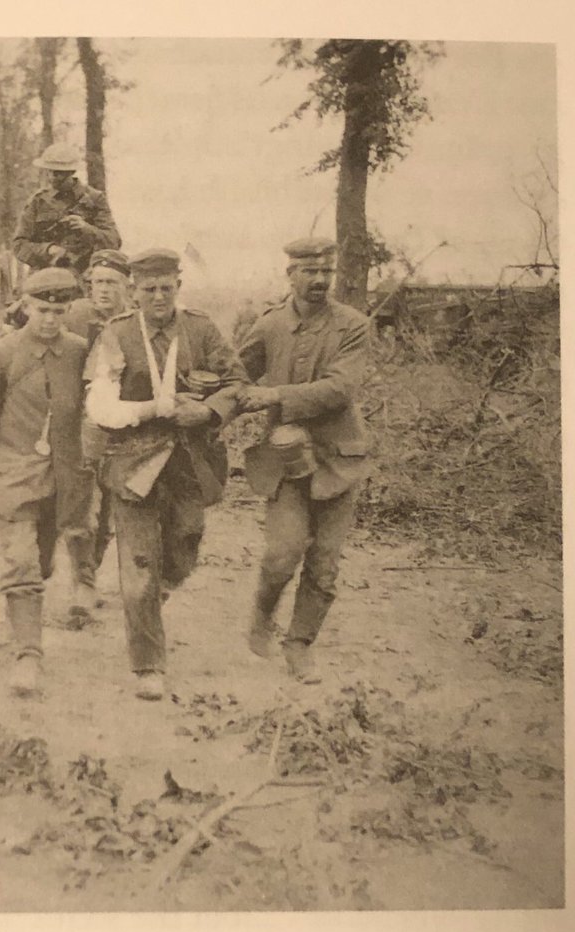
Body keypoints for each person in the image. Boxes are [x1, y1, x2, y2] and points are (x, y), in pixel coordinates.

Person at [84, 248, 246, 701]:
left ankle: (165, 584)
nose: (158, 296)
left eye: (166, 287)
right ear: (133, 292)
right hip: (132, 461)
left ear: (178, 287)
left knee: (186, 541)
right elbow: (100, 404)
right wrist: (148, 411)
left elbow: (238, 384)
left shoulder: (201, 328)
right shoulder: (116, 336)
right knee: (138, 565)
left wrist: (210, 410)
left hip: (190, 462)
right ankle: (148, 665)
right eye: (148, 289)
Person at [0, 268, 94, 697]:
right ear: (25, 306)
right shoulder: (2, 353)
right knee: (21, 563)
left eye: (59, 311)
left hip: (62, 480)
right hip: (11, 475)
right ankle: (28, 654)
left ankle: (31, 597)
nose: (50, 320)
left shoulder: (81, 351)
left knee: (42, 563)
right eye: (42, 310)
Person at [235, 237, 373, 684]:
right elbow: (236, 375)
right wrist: (209, 406)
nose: (318, 280)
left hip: (339, 460)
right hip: (285, 461)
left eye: (325, 272)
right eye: (309, 272)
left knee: (325, 564)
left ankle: (299, 645)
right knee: (282, 553)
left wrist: (275, 395)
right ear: (290, 275)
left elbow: (340, 388)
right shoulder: (270, 325)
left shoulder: (353, 325)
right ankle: (262, 611)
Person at [64, 248, 133, 575]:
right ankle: (83, 577)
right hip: (79, 424)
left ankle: (91, 566)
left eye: (112, 282)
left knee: (109, 508)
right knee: (81, 504)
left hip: (125, 429)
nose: (103, 289)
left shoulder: (138, 322)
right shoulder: (74, 316)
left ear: (127, 286)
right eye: (98, 282)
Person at [12, 142, 121, 278]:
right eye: (48, 171)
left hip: (84, 276)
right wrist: (48, 249)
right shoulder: (38, 201)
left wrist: (86, 229)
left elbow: (113, 242)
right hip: (44, 277)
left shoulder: (94, 199)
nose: (52, 177)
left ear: (71, 172)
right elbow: (19, 245)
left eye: (58, 173)